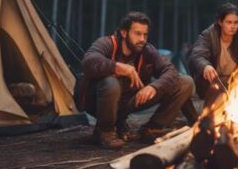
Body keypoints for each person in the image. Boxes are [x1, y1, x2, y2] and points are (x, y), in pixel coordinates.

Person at [79, 11, 195, 149]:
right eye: (137, 34)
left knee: (185, 82)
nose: (142, 39)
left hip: (129, 102)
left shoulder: (147, 50)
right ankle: (105, 131)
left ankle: (152, 129)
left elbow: (170, 71)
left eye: (145, 34)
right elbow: (88, 61)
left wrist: (154, 87)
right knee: (110, 82)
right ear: (124, 33)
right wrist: (117, 67)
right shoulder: (107, 43)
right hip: (98, 101)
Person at [189, 3, 238, 107]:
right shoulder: (209, 35)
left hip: (235, 81)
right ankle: (210, 115)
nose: (233, 26)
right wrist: (205, 66)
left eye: (236, 22)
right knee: (213, 98)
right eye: (229, 22)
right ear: (220, 22)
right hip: (213, 80)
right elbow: (196, 55)